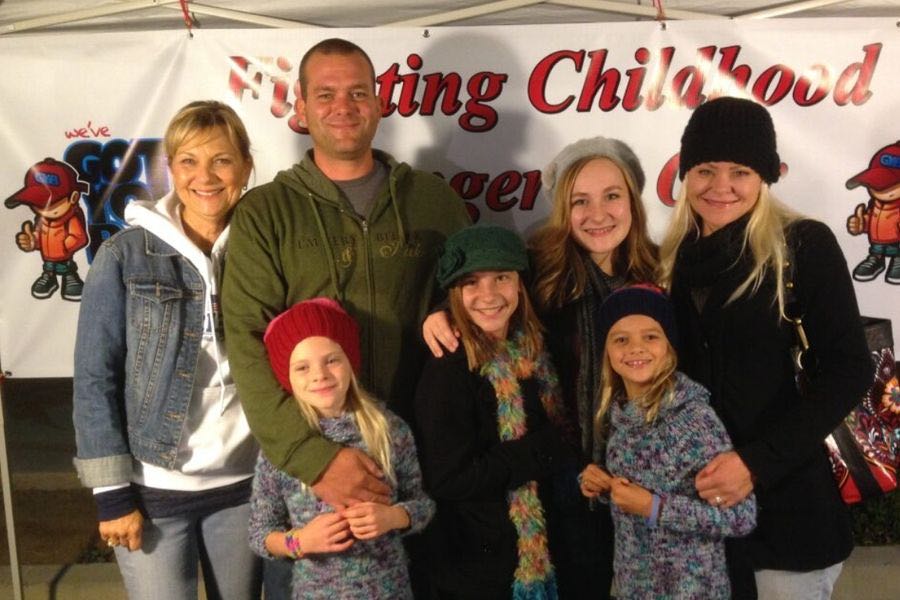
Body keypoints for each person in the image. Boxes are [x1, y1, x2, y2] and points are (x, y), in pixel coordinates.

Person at [222, 37, 470, 508]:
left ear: (378, 103)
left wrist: (444, 308)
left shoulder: (433, 201)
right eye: (326, 94)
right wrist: (315, 459)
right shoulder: (266, 212)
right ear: (301, 106)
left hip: (422, 456)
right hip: (315, 472)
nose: (343, 107)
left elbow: (475, 297)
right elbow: (247, 342)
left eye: (358, 93)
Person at [422, 136, 657, 598]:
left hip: (644, 479)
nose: (598, 213)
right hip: (571, 487)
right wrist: (438, 311)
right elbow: (485, 286)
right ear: (562, 210)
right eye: (580, 201)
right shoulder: (542, 272)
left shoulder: (658, 275)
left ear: (633, 200)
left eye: (612, 196)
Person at [659, 96, 871, 599]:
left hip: (788, 515)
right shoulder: (668, 262)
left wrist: (755, 463)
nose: (721, 187)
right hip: (698, 522)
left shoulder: (803, 247)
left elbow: (849, 370)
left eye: (741, 171)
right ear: (686, 173)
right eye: (706, 169)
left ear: (765, 178)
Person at [72, 100, 261, 600]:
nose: (206, 176)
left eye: (221, 160)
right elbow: (96, 377)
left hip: (247, 484)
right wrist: (111, 492)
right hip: (155, 488)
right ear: (171, 168)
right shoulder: (122, 255)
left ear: (245, 164)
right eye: (189, 161)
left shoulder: (264, 250)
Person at [414, 224, 575, 599]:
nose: (488, 295)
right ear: (454, 293)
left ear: (519, 283)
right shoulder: (448, 367)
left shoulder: (536, 351)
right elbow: (448, 477)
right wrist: (548, 449)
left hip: (545, 550)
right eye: (472, 282)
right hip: (477, 566)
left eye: (501, 277)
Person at [248, 298, 434, 599]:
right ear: (288, 378)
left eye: (332, 359)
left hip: (390, 590)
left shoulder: (390, 430)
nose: (319, 375)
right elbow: (260, 533)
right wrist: (301, 542)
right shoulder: (281, 449)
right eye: (302, 367)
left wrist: (393, 517)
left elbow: (422, 505)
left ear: (350, 361)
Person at [579, 284, 757, 598]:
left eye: (650, 336)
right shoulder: (620, 415)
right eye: (621, 339)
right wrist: (605, 486)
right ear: (607, 350)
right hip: (633, 589)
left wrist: (653, 508)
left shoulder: (693, 421)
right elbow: (637, 493)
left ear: (670, 346)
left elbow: (740, 517)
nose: (635, 348)